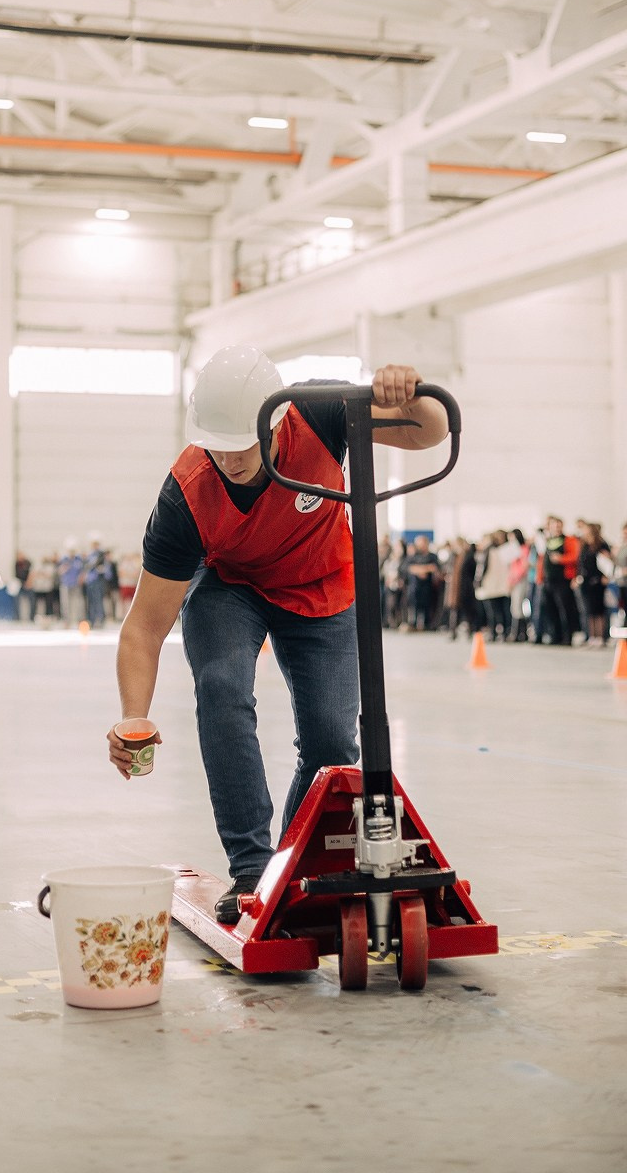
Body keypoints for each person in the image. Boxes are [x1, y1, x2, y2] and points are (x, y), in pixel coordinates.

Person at [107, 345, 449, 924]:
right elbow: (144, 626)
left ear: (273, 420)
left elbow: (427, 433)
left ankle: (286, 866)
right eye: (216, 442)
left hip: (323, 585)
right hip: (232, 589)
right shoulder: (185, 495)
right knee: (221, 689)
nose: (230, 457)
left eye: (243, 440)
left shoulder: (318, 412)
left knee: (331, 746)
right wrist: (131, 715)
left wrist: (408, 392)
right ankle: (250, 866)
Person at [542, 515, 580, 645]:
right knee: (550, 609)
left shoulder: (569, 540)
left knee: (565, 608)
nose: (557, 528)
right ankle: (555, 636)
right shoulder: (548, 540)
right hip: (549, 580)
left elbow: (575, 557)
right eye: (554, 525)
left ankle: (567, 637)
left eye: (559, 525)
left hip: (563, 580)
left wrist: (561, 559)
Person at [573, 521, 612, 647]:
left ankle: (600, 637)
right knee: (589, 610)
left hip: (598, 582)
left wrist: (606, 576)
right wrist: (578, 577)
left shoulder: (601, 544)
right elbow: (580, 564)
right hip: (586, 582)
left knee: (598, 610)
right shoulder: (584, 545)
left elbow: (607, 563)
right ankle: (592, 636)